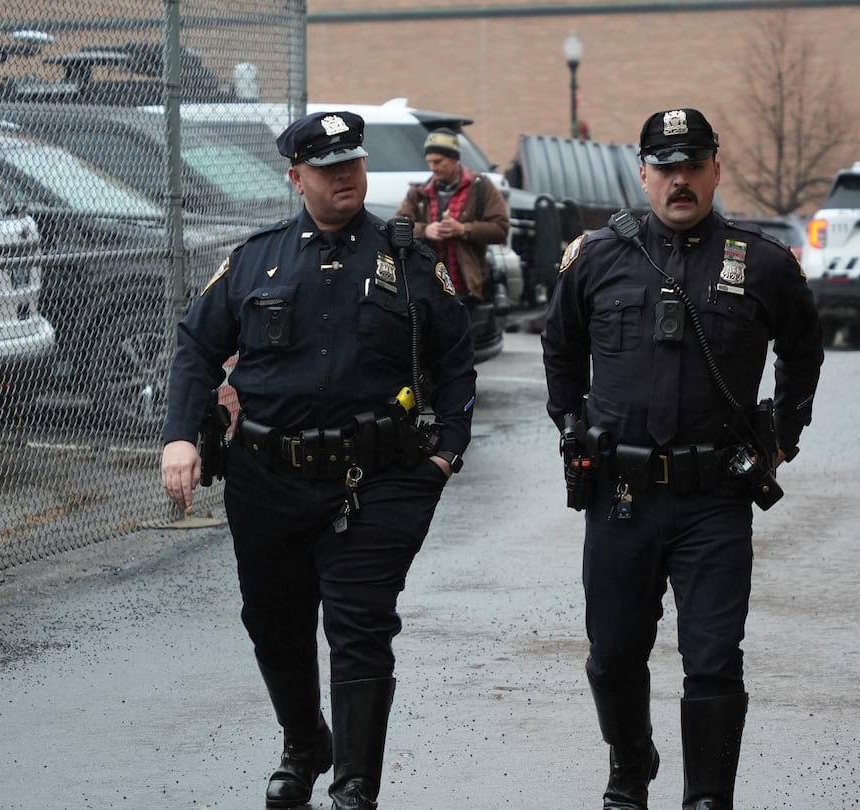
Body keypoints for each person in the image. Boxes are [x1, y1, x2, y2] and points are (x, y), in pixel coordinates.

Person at [160, 110, 476, 810]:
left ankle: (356, 785)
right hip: (268, 478)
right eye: (329, 171)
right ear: (296, 177)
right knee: (272, 619)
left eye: (353, 166)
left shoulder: (406, 257)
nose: (345, 180)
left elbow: (457, 357)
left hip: (379, 481)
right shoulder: (256, 260)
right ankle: (304, 742)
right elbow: (195, 347)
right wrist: (182, 434)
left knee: (360, 623)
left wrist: (447, 453)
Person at [540, 108, 824, 810]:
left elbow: (803, 351)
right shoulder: (598, 256)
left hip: (713, 500)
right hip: (621, 494)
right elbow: (560, 347)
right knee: (611, 654)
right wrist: (571, 425)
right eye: (665, 168)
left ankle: (706, 798)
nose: (680, 181)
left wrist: (782, 435)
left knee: (714, 658)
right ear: (643, 175)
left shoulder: (761, 263)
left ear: (716, 171)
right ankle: (630, 762)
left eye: (693, 166)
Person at [393, 127, 510, 306]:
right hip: (428, 287)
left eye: (438, 162)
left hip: (468, 289)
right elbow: (397, 226)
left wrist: (463, 229)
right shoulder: (419, 192)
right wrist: (426, 230)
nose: (433, 168)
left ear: (454, 158)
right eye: (430, 162)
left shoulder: (481, 187)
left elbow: (501, 229)